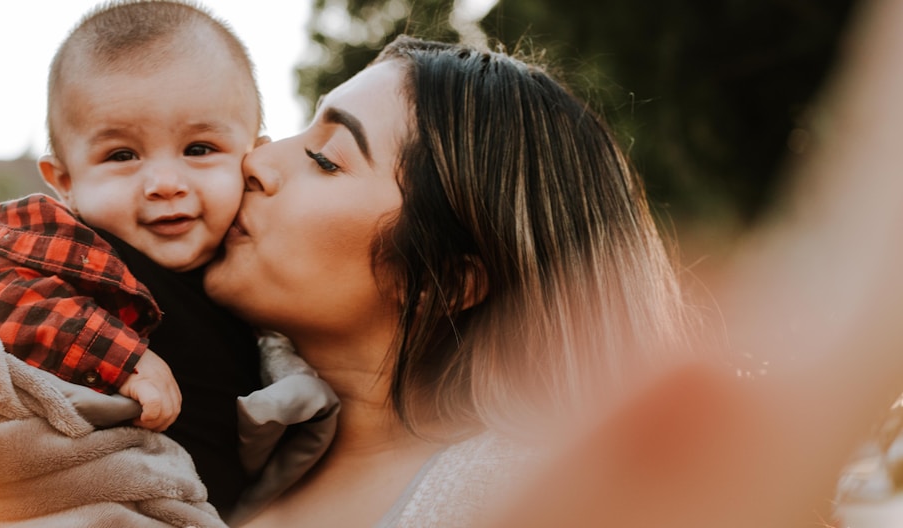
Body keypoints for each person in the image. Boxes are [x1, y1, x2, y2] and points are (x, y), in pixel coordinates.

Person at [202, 35, 692, 526]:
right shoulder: (197, 421)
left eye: (325, 158)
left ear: (444, 282)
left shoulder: (533, 505)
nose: (256, 162)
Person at [0, 0, 264, 517]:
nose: (165, 185)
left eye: (199, 149)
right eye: (122, 156)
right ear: (65, 182)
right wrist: (121, 358)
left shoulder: (256, 267)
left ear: (255, 157)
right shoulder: (73, 243)